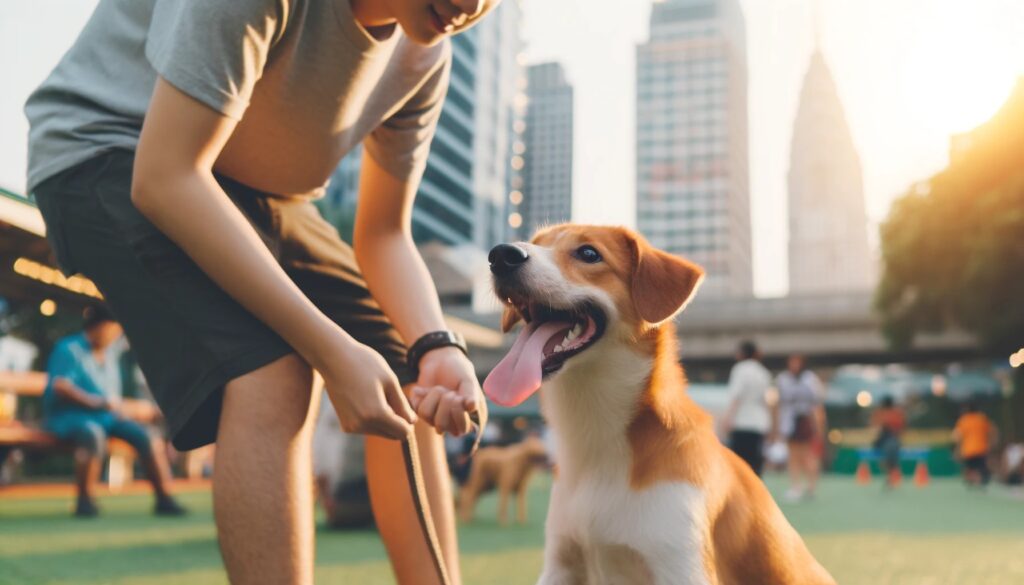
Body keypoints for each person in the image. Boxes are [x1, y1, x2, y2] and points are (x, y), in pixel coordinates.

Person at [25, 1, 497, 582]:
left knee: (414, 371)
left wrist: (437, 346)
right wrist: (329, 348)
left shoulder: (423, 53)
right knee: (273, 373)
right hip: (109, 149)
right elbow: (166, 176)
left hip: (271, 193)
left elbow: (383, 234)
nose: (472, 5)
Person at [43, 306, 186, 517]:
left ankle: (164, 498)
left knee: (146, 435)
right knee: (92, 433)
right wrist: (94, 402)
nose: (115, 336)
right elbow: (60, 386)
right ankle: (85, 501)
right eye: (113, 330)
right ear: (98, 327)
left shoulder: (111, 352)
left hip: (107, 417)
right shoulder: (69, 348)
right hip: (70, 417)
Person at [775, 354, 826, 501]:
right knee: (793, 455)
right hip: (789, 421)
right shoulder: (783, 379)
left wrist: (819, 425)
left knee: (807, 455)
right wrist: (777, 426)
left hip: (805, 420)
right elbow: (779, 403)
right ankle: (795, 486)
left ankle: (811, 486)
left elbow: (817, 404)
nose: (794, 365)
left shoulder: (810, 379)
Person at [720, 340, 772, 476]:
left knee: (738, 463)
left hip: (741, 422)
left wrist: (727, 418)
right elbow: (766, 401)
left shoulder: (739, 369)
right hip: (759, 423)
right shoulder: (763, 372)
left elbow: (736, 397)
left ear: (742, 353)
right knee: (755, 464)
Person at [953, 399, 997, 488]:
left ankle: (972, 479)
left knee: (970, 466)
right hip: (981, 448)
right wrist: (991, 443)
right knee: (981, 466)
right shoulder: (982, 418)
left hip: (968, 449)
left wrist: (957, 449)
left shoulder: (963, 420)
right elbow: (993, 431)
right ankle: (981, 479)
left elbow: (957, 437)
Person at [871, 395, 906, 489]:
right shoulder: (896, 413)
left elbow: (876, 428)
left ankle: (891, 477)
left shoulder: (882, 413)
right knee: (890, 461)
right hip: (888, 440)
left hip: (887, 440)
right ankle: (891, 477)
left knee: (887, 461)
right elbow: (901, 428)